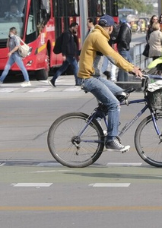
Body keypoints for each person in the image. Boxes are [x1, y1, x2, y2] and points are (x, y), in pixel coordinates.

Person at [78, 15, 143, 153]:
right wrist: (131, 68)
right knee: (114, 104)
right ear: (111, 28)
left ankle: (97, 119)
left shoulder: (96, 34)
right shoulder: (97, 36)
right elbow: (113, 56)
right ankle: (111, 140)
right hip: (89, 78)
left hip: (96, 76)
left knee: (122, 94)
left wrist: (132, 67)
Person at [50, 22, 80, 87]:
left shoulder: (71, 34)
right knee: (75, 67)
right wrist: (63, 54)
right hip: (69, 54)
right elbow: (64, 45)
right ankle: (78, 82)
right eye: (76, 28)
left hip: (70, 54)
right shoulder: (67, 34)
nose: (76, 29)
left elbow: (73, 45)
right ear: (72, 27)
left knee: (63, 68)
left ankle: (53, 79)